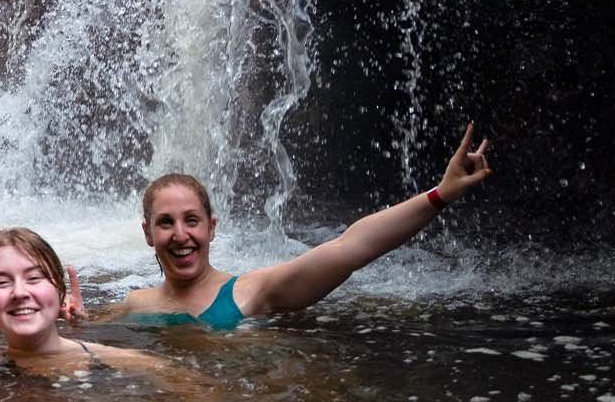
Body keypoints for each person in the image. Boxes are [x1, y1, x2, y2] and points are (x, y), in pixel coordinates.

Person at [110, 123, 495, 327]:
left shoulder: (252, 293)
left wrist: (440, 194)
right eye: (166, 223)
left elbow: (351, 248)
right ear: (148, 234)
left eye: (191, 220)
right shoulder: (134, 305)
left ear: (211, 227)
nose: (180, 235)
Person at [0, 196, 179, 386]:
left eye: (34, 278)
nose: (19, 292)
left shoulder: (122, 362)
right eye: (2, 282)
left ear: (61, 293)